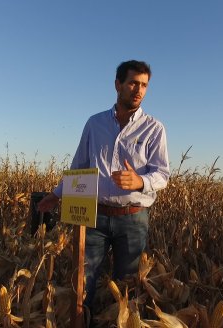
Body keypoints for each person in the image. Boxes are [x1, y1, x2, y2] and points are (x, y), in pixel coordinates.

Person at [37, 60, 170, 310]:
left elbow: (162, 174)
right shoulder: (94, 124)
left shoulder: (154, 129)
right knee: (82, 284)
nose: (138, 90)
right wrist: (56, 195)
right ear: (118, 84)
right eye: (133, 83)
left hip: (133, 219)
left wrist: (140, 181)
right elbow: (79, 169)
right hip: (94, 216)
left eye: (144, 85)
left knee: (126, 289)